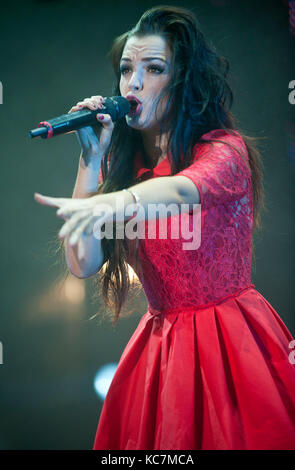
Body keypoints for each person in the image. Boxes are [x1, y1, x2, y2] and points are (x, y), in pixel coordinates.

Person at [34, 6, 295, 450]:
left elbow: (179, 191)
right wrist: (91, 160)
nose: (133, 83)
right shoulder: (125, 165)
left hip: (228, 344)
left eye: (153, 69)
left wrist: (114, 203)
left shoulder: (223, 152)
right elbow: (82, 264)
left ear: (184, 83)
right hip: (163, 348)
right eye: (126, 70)